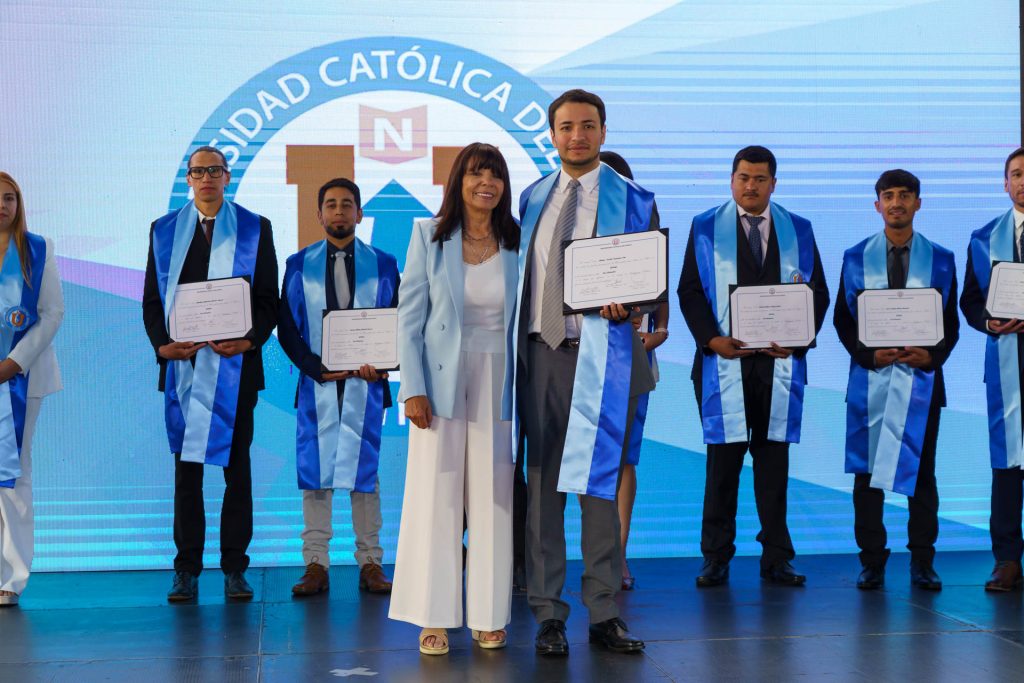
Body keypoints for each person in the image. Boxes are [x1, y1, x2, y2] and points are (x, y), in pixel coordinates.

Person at [517, 89, 656, 657]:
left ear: (603, 132)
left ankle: (603, 610)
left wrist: (634, 302)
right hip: (541, 356)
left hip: (605, 355)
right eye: (567, 126)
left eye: (588, 125)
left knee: (599, 486)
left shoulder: (636, 200)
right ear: (552, 135)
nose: (578, 136)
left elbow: (648, 279)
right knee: (543, 488)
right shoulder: (530, 197)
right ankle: (548, 613)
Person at [678, 145, 830, 588]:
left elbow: (817, 293)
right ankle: (716, 556)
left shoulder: (799, 228)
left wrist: (798, 339)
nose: (751, 186)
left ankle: (777, 557)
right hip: (722, 365)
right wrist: (712, 340)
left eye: (760, 179)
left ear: (773, 184)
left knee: (773, 467)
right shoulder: (705, 226)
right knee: (722, 467)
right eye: (744, 177)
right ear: (732, 180)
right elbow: (689, 291)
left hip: (778, 366)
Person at [389, 143, 520, 655]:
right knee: (436, 497)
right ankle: (433, 616)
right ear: (458, 182)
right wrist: (413, 388)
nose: (486, 183)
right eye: (475, 174)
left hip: (499, 378)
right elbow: (408, 318)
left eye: (495, 175)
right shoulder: (428, 234)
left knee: (494, 499)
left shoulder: (518, 239)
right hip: (438, 382)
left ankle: (489, 615)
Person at [143, 146, 279, 602]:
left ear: (227, 176)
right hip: (182, 369)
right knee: (187, 476)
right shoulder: (164, 230)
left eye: (214, 171)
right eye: (198, 171)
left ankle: (235, 568)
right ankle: (186, 569)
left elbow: (268, 300)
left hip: (236, 371)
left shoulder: (255, 228)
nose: (206, 178)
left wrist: (250, 340)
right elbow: (151, 301)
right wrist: (162, 345)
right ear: (189, 178)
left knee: (237, 473)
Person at [833, 169, 958, 591]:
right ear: (877, 205)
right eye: (889, 196)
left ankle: (922, 561)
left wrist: (932, 356)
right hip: (870, 379)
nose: (897, 203)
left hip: (922, 382)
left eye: (905, 195)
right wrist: (869, 355)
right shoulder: (855, 257)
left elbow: (950, 323)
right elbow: (843, 320)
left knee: (922, 476)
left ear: (918, 203)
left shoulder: (941, 259)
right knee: (866, 477)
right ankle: (871, 561)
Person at [278, 178, 399, 597]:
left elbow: (396, 319)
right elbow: (287, 326)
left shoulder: (384, 264)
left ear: (359, 213)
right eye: (330, 204)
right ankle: (315, 563)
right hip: (318, 384)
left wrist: (382, 362)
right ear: (319, 214)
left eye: (347, 204)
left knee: (365, 474)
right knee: (317, 475)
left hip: (366, 385)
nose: (339, 211)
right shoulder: (299, 264)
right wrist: (314, 367)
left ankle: (371, 562)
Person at [597, 150, 670, 591]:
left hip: (631, 362)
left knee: (623, 458)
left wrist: (657, 333)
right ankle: (588, 553)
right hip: (575, 361)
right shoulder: (573, 230)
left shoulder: (646, 234)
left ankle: (618, 553)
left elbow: (661, 304)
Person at [961, 146, 1024, 592]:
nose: (1023, 181)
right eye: (1016, 174)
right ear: (1005, 184)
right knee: (1007, 462)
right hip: (1007, 364)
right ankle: (1007, 559)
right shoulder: (984, 238)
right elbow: (970, 300)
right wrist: (988, 322)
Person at [0, 172, 64, 607]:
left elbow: (52, 312)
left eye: (10, 198)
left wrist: (13, 362)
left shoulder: (38, 249)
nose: (3, 205)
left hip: (23, 377)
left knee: (13, 475)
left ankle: (12, 576)